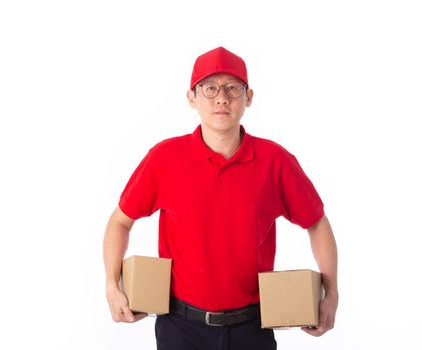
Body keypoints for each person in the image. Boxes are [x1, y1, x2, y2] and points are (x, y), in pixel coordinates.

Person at [103, 47, 338, 350]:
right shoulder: (164, 159)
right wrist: (111, 284)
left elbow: (317, 223)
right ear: (192, 97)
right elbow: (120, 221)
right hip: (180, 328)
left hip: (252, 328)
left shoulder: (274, 161)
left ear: (248, 97)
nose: (222, 98)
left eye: (232, 88)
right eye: (210, 88)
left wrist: (331, 293)